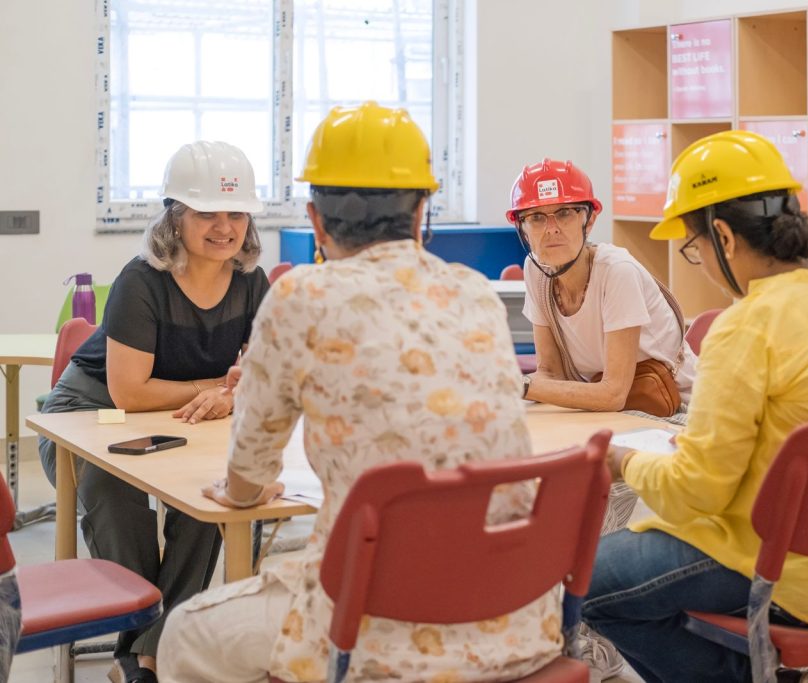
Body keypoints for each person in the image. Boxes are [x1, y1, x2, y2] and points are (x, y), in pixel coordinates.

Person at [157, 102, 563, 683]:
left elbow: (247, 475)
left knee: (188, 632)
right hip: (515, 611)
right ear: (421, 212)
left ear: (316, 220)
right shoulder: (474, 292)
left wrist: (242, 491)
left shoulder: (300, 296)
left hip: (376, 622)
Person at [580, 131, 808, 682]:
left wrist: (623, 461)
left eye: (693, 248)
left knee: (587, 583)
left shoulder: (746, 326)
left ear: (722, 234)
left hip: (801, 571)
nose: (698, 262)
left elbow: (697, 491)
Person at [38, 140, 269, 683]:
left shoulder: (251, 282)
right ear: (175, 217)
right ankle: (140, 645)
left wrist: (236, 391)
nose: (224, 226)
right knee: (110, 490)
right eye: (206, 212)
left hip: (178, 419)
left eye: (236, 213)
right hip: (86, 415)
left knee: (210, 495)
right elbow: (130, 394)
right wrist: (220, 384)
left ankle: (148, 653)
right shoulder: (142, 280)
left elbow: (262, 372)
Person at [508, 159, 697, 415]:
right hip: (610, 411)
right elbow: (551, 373)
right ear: (522, 228)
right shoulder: (537, 271)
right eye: (537, 217)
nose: (551, 230)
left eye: (564, 213)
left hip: (679, 410)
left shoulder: (617, 272)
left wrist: (518, 385)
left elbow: (613, 394)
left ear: (589, 220)